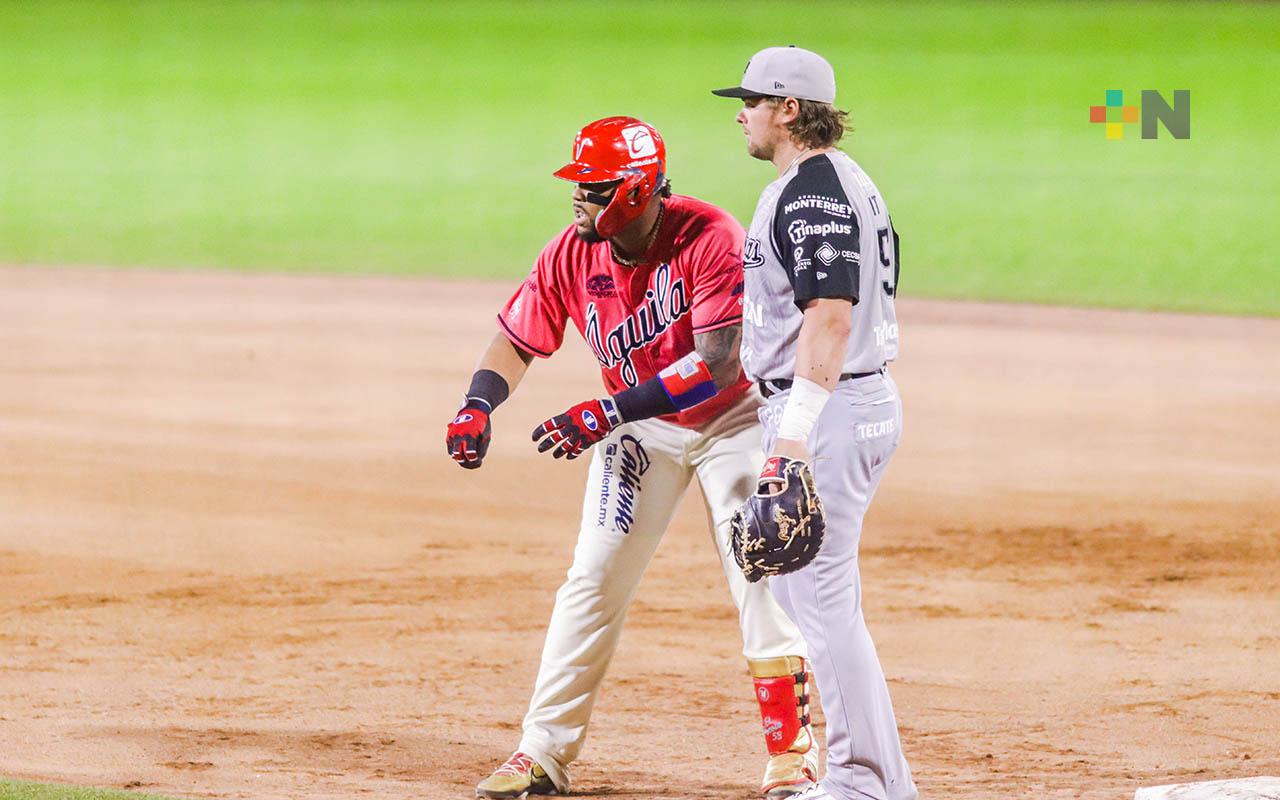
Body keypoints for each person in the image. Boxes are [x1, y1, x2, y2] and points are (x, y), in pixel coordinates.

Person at [446, 116, 819, 799]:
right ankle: (541, 754)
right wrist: (477, 403)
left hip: (734, 420)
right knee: (592, 578)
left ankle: (794, 760)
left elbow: (717, 364)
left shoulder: (711, 238)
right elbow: (518, 337)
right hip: (642, 428)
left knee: (758, 573)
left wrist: (607, 411)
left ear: (636, 190)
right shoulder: (571, 251)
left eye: (592, 188)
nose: (578, 200)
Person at [711, 47, 918, 800]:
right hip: (837, 404)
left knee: (823, 605)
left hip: (829, 411)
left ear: (789, 110)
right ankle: (880, 781)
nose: (741, 111)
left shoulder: (816, 192)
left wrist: (789, 441)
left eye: (753, 100)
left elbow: (830, 317)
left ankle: (861, 782)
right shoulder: (827, 185)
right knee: (818, 602)